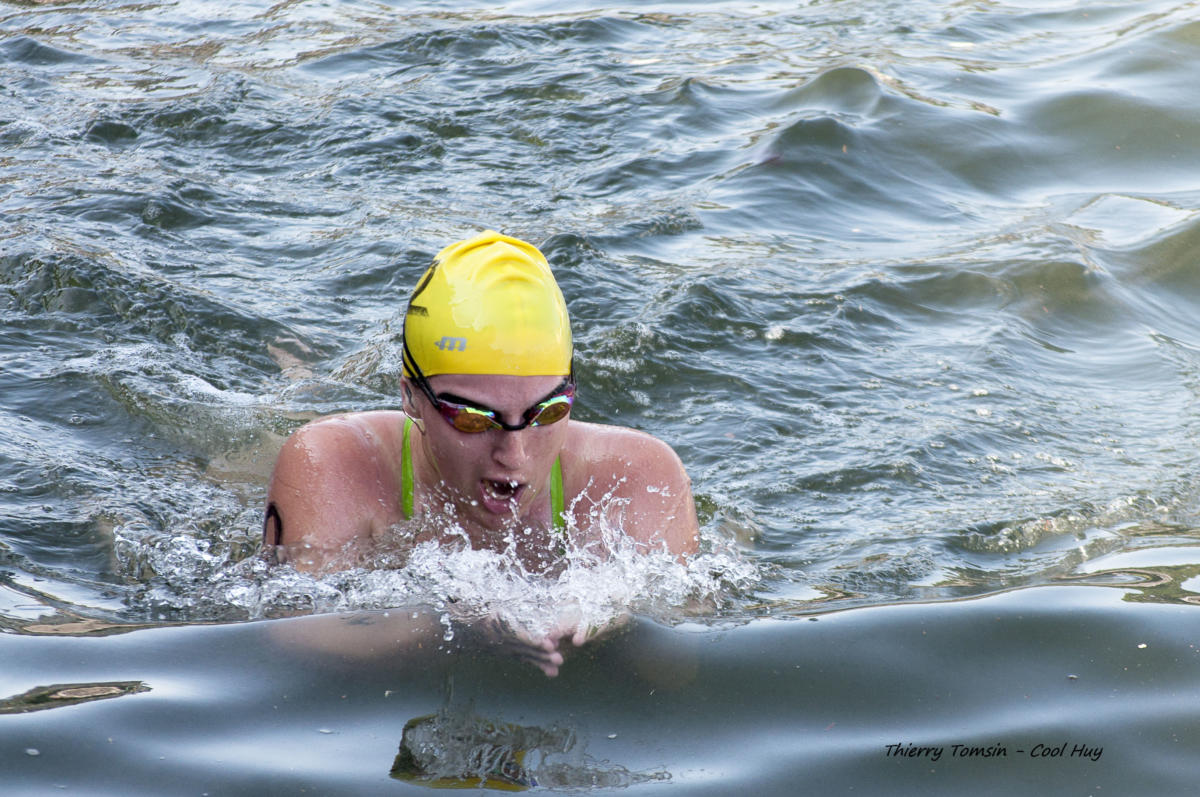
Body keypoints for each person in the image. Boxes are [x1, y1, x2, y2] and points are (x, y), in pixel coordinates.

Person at [262, 231, 700, 673]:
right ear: (411, 398)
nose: (514, 454)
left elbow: (680, 669)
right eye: (473, 419)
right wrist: (457, 620)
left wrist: (614, 616)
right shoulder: (332, 461)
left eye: (546, 413)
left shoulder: (640, 474)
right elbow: (296, 635)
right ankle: (300, 375)